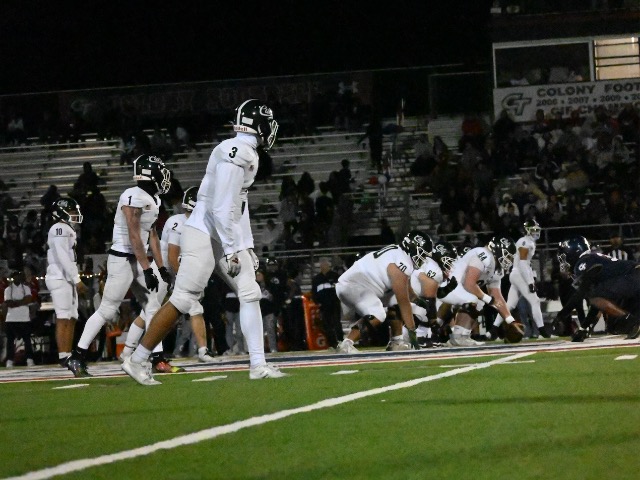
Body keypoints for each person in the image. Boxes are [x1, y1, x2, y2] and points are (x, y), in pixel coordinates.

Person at [122, 99, 287, 385]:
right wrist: (233, 248)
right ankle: (137, 359)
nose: (271, 128)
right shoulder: (237, 152)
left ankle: (258, 365)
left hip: (222, 232)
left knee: (250, 293)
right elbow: (221, 206)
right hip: (204, 231)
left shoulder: (245, 151)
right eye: (268, 122)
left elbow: (238, 205)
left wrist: (246, 244)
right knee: (183, 299)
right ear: (257, 123)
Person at [66, 155, 173, 377]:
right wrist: (147, 269)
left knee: (153, 306)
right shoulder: (132, 196)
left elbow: (152, 235)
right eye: (159, 171)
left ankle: (157, 358)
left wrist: (161, 267)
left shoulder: (154, 199)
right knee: (107, 310)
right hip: (122, 259)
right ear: (149, 174)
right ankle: (77, 356)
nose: (163, 176)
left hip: (139, 259)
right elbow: (134, 236)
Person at [119, 186, 217, 364]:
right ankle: (128, 351)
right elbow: (172, 256)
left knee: (195, 309)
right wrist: (183, 279)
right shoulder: (177, 222)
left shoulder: (199, 225)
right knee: (149, 311)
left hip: (180, 270)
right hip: (164, 270)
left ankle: (203, 351)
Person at [335, 230, 432, 354]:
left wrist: (418, 300)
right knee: (378, 313)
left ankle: (397, 341)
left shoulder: (399, 254)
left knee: (394, 300)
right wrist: (412, 333)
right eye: (422, 254)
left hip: (362, 285)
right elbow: (403, 301)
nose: (423, 259)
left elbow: (406, 289)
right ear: (413, 247)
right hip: (354, 285)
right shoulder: (402, 261)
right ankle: (346, 343)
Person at [555, 236, 640, 341]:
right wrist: (584, 328)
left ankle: (632, 321)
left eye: (564, 257)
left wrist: (562, 314)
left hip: (633, 277)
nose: (564, 262)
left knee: (594, 297)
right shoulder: (593, 258)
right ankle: (633, 321)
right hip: (633, 280)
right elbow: (597, 304)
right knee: (615, 326)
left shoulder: (583, 261)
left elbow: (585, 294)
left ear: (574, 252)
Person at [439, 236, 519, 346]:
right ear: (499, 250)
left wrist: (510, 320)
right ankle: (455, 336)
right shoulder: (483, 255)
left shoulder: (496, 269)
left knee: (477, 301)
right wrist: (488, 299)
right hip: (445, 288)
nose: (509, 261)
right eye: (508, 256)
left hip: (455, 291)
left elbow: (497, 297)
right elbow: (469, 284)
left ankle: (459, 336)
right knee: (476, 301)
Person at [487, 220, 555, 340]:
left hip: (517, 274)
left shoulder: (527, 241)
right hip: (519, 274)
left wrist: (531, 278)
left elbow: (525, 264)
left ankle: (492, 330)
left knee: (509, 305)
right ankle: (542, 330)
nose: (536, 232)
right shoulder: (525, 242)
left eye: (537, 230)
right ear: (527, 230)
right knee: (535, 301)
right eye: (533, 230)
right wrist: (530, 282)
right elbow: (523, 263)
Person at [44, 198, 88, 367]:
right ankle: (63, 356)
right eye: (71, 211)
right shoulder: (59, 228)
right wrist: (77, 279)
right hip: (59, 276)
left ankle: (67, 354)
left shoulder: (66, 228)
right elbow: (62, 255)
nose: (74, 214)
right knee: (63, 316)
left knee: (72, 317)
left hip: (66, 277)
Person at [3, 270, 36, 367]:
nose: (17, 278)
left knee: (27, 340)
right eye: (15, 276)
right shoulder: (8, 289)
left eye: (19, 276)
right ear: (13, 278)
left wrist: (16, 302)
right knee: (10, 340)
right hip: (11, 318)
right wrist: (22, 302)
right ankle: (9, 360)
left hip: (24, 318)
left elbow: (28, 299)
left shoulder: (26, 288)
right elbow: (8, 303)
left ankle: (29, 359)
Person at [311, 257, 343, 350]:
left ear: (329, 265)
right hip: (324, 306)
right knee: (327, 325)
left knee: (336, 324)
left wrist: (338, 300)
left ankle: (340, 342)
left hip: (334, 304)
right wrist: (317, 302)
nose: (324, 266)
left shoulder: (335, 276)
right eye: (322, 265)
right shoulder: (317, 279)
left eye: (325, 264)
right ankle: (332, 344)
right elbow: (314, 293)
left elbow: (340, 289)